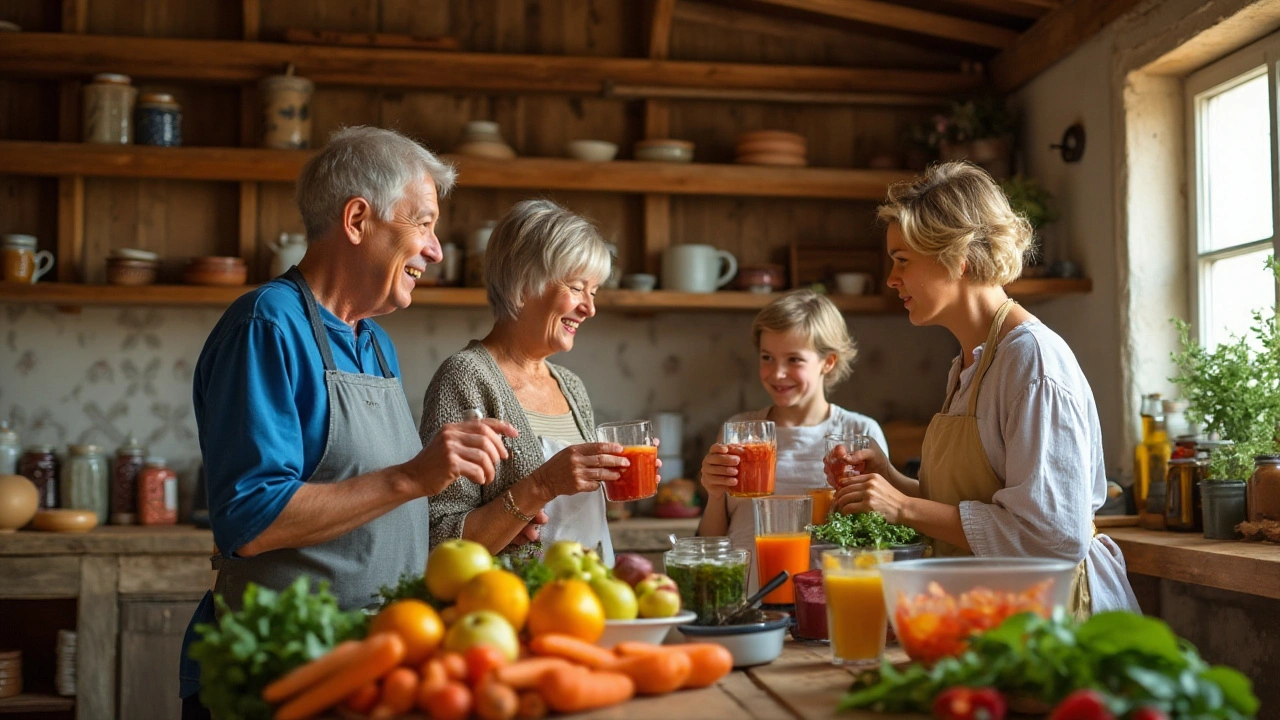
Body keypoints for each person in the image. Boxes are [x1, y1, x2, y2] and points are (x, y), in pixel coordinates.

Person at [179, 127, 516, 718]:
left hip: (370, 668)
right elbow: (250, 521)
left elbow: (385, 514)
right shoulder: (267, 327)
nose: (435, 249)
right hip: (286, 674)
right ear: (358, 220)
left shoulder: (375, 341)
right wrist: (413, 477)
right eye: (423, 223)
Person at [830, 161, 1139, 616]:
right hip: (990, 610)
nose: (892, 279)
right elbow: (975, 508)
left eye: (902, 261)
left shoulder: (1032, 361)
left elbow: (1053, 538)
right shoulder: (971, 363)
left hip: (1054, 620)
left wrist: (902, 508)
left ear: (957, 258)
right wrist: (889, 481)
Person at [420, 199, 639, 561]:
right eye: (576, 287)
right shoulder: (465, 377)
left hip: (589, 599)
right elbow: (440, 539)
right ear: (524, 284)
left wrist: (618, 475)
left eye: (594, 292)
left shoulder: (569, 384)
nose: (590, 308)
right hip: (510, 608)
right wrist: (541, 485)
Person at [698, 289, 888, 591]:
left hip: (825, 600)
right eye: (767, 357)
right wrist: (715, 494)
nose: (777, 373)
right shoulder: (738, 431)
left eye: (794, 359)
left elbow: (874, 540)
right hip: (745, 600)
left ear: (828, 362)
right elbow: (712, 543)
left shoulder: (859, 435)